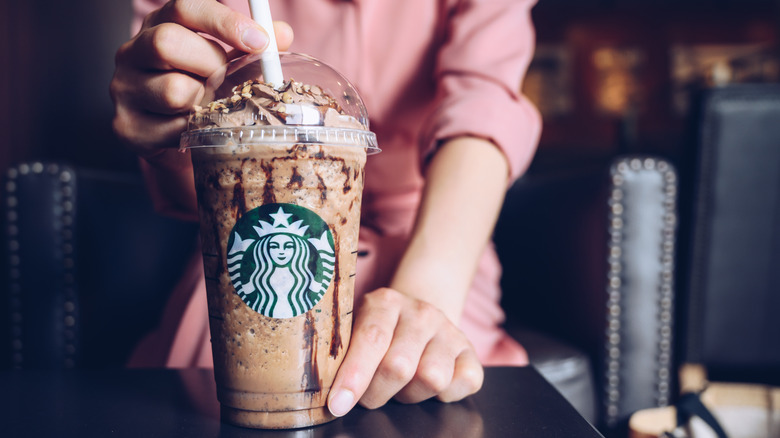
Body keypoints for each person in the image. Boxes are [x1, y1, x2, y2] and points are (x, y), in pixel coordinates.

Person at [110, 0, 541, 418]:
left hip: (435, 231)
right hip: (249, 233)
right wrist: (165, 122)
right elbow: (207, 186)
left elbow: (484, 103)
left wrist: (428, 291)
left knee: (431, 373)